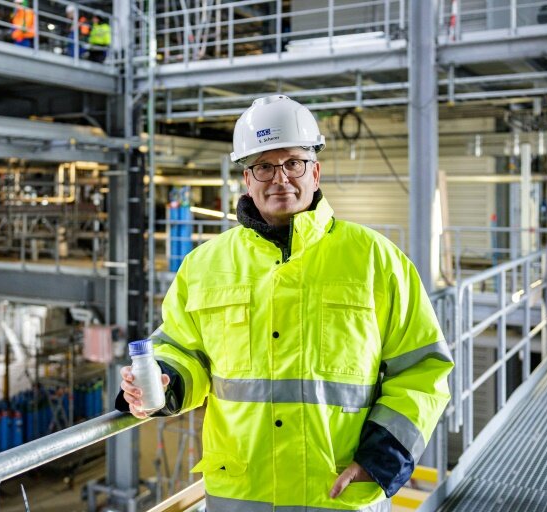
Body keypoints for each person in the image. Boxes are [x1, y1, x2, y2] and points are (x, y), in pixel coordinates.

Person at [117, 95, 454, 511]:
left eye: (292, 162)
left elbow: (422, 371)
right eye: (263, 165)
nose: (280, 178)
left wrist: (380, 460)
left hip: (339, 493)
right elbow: (183, 351)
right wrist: (163, 381)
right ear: (247, 178)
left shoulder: (377, 260)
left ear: (315, 171)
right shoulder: (204, 265)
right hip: (241, 495)